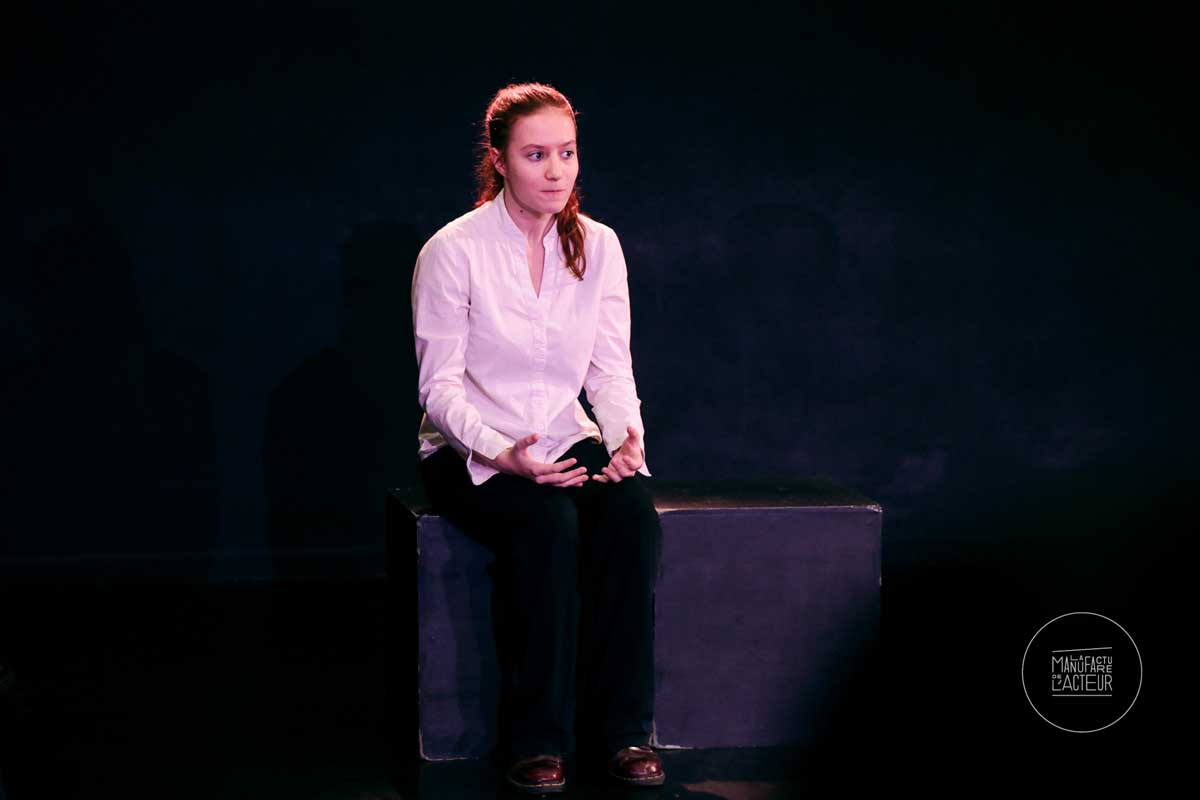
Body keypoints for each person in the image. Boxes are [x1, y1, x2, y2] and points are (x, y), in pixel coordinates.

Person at [411, 82, 665, 793]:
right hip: (470, 447)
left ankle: (624, 733)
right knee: (548, 525)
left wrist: (625, 438)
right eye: (536, 155)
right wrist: (503, 454)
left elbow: (609, 369)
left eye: (567, 153)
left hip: (561, 431)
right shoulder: (453, 250)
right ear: (499, 160)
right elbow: (440, 389)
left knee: (631, 519)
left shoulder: (599, 246)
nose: (556, 171)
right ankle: (536, 740)